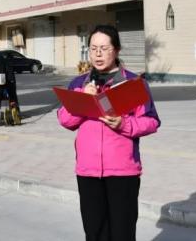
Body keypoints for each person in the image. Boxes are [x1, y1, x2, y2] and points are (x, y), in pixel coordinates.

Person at [57, 24, 160, 241]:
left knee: (122, 233)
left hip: (123, 172)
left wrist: (124, 124)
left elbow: (151, 122)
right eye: (93, 48)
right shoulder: (79, 83)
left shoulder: (133, 84)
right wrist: (84, 98)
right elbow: (65, 120)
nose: (98, 54)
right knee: (94, 233)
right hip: (88, 172)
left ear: (116, 50)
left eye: (104, 48)